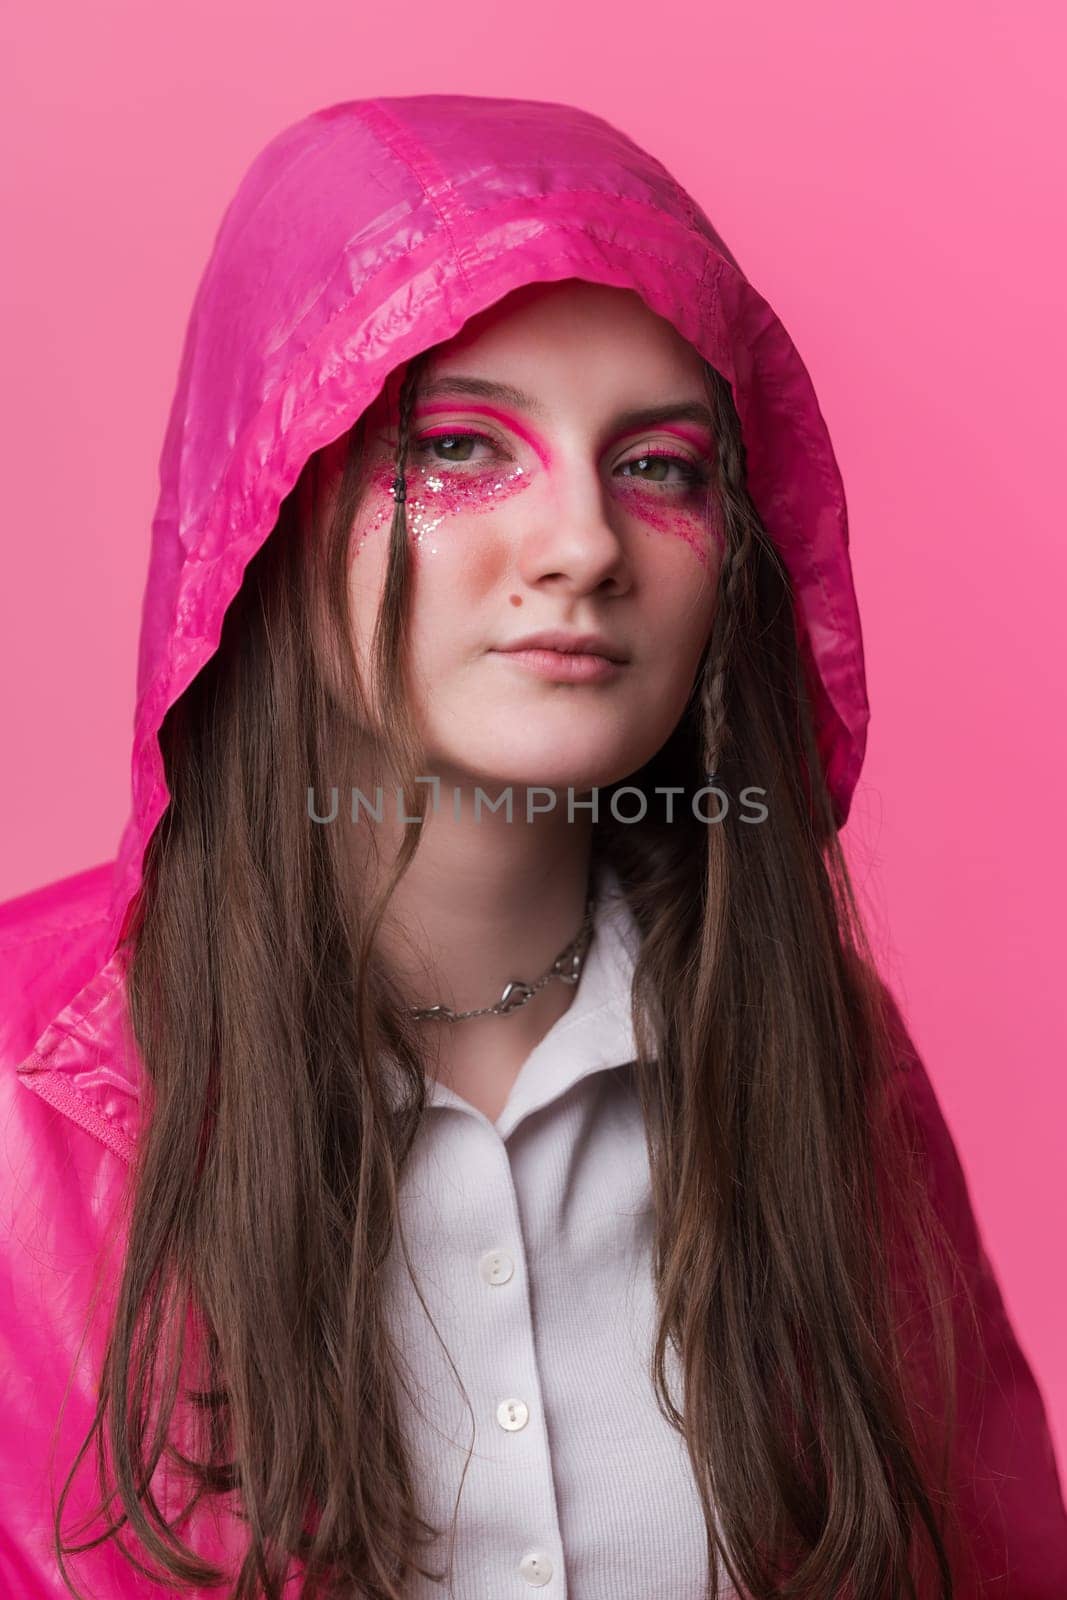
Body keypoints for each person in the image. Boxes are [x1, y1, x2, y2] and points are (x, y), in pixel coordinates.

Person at [1, 93, 1064, 1600]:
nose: (581, 543)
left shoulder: (818, 1054)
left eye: (662, 467)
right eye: (459, 447)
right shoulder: (27, 1100)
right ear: (268, 500)